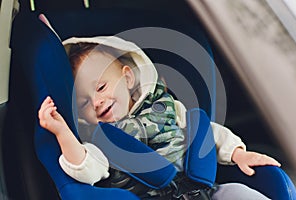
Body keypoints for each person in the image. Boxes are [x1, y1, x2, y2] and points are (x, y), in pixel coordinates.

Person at [38, 36, 280, 199]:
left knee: (239, 192)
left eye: (101, 87)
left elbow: (207, 134)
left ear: (128, 79)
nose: (97, 102)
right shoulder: (101, 140)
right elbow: (86, 168)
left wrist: (238, 153)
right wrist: (63, 133)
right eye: (84, 102)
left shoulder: (166, 108)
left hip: (205, 190)